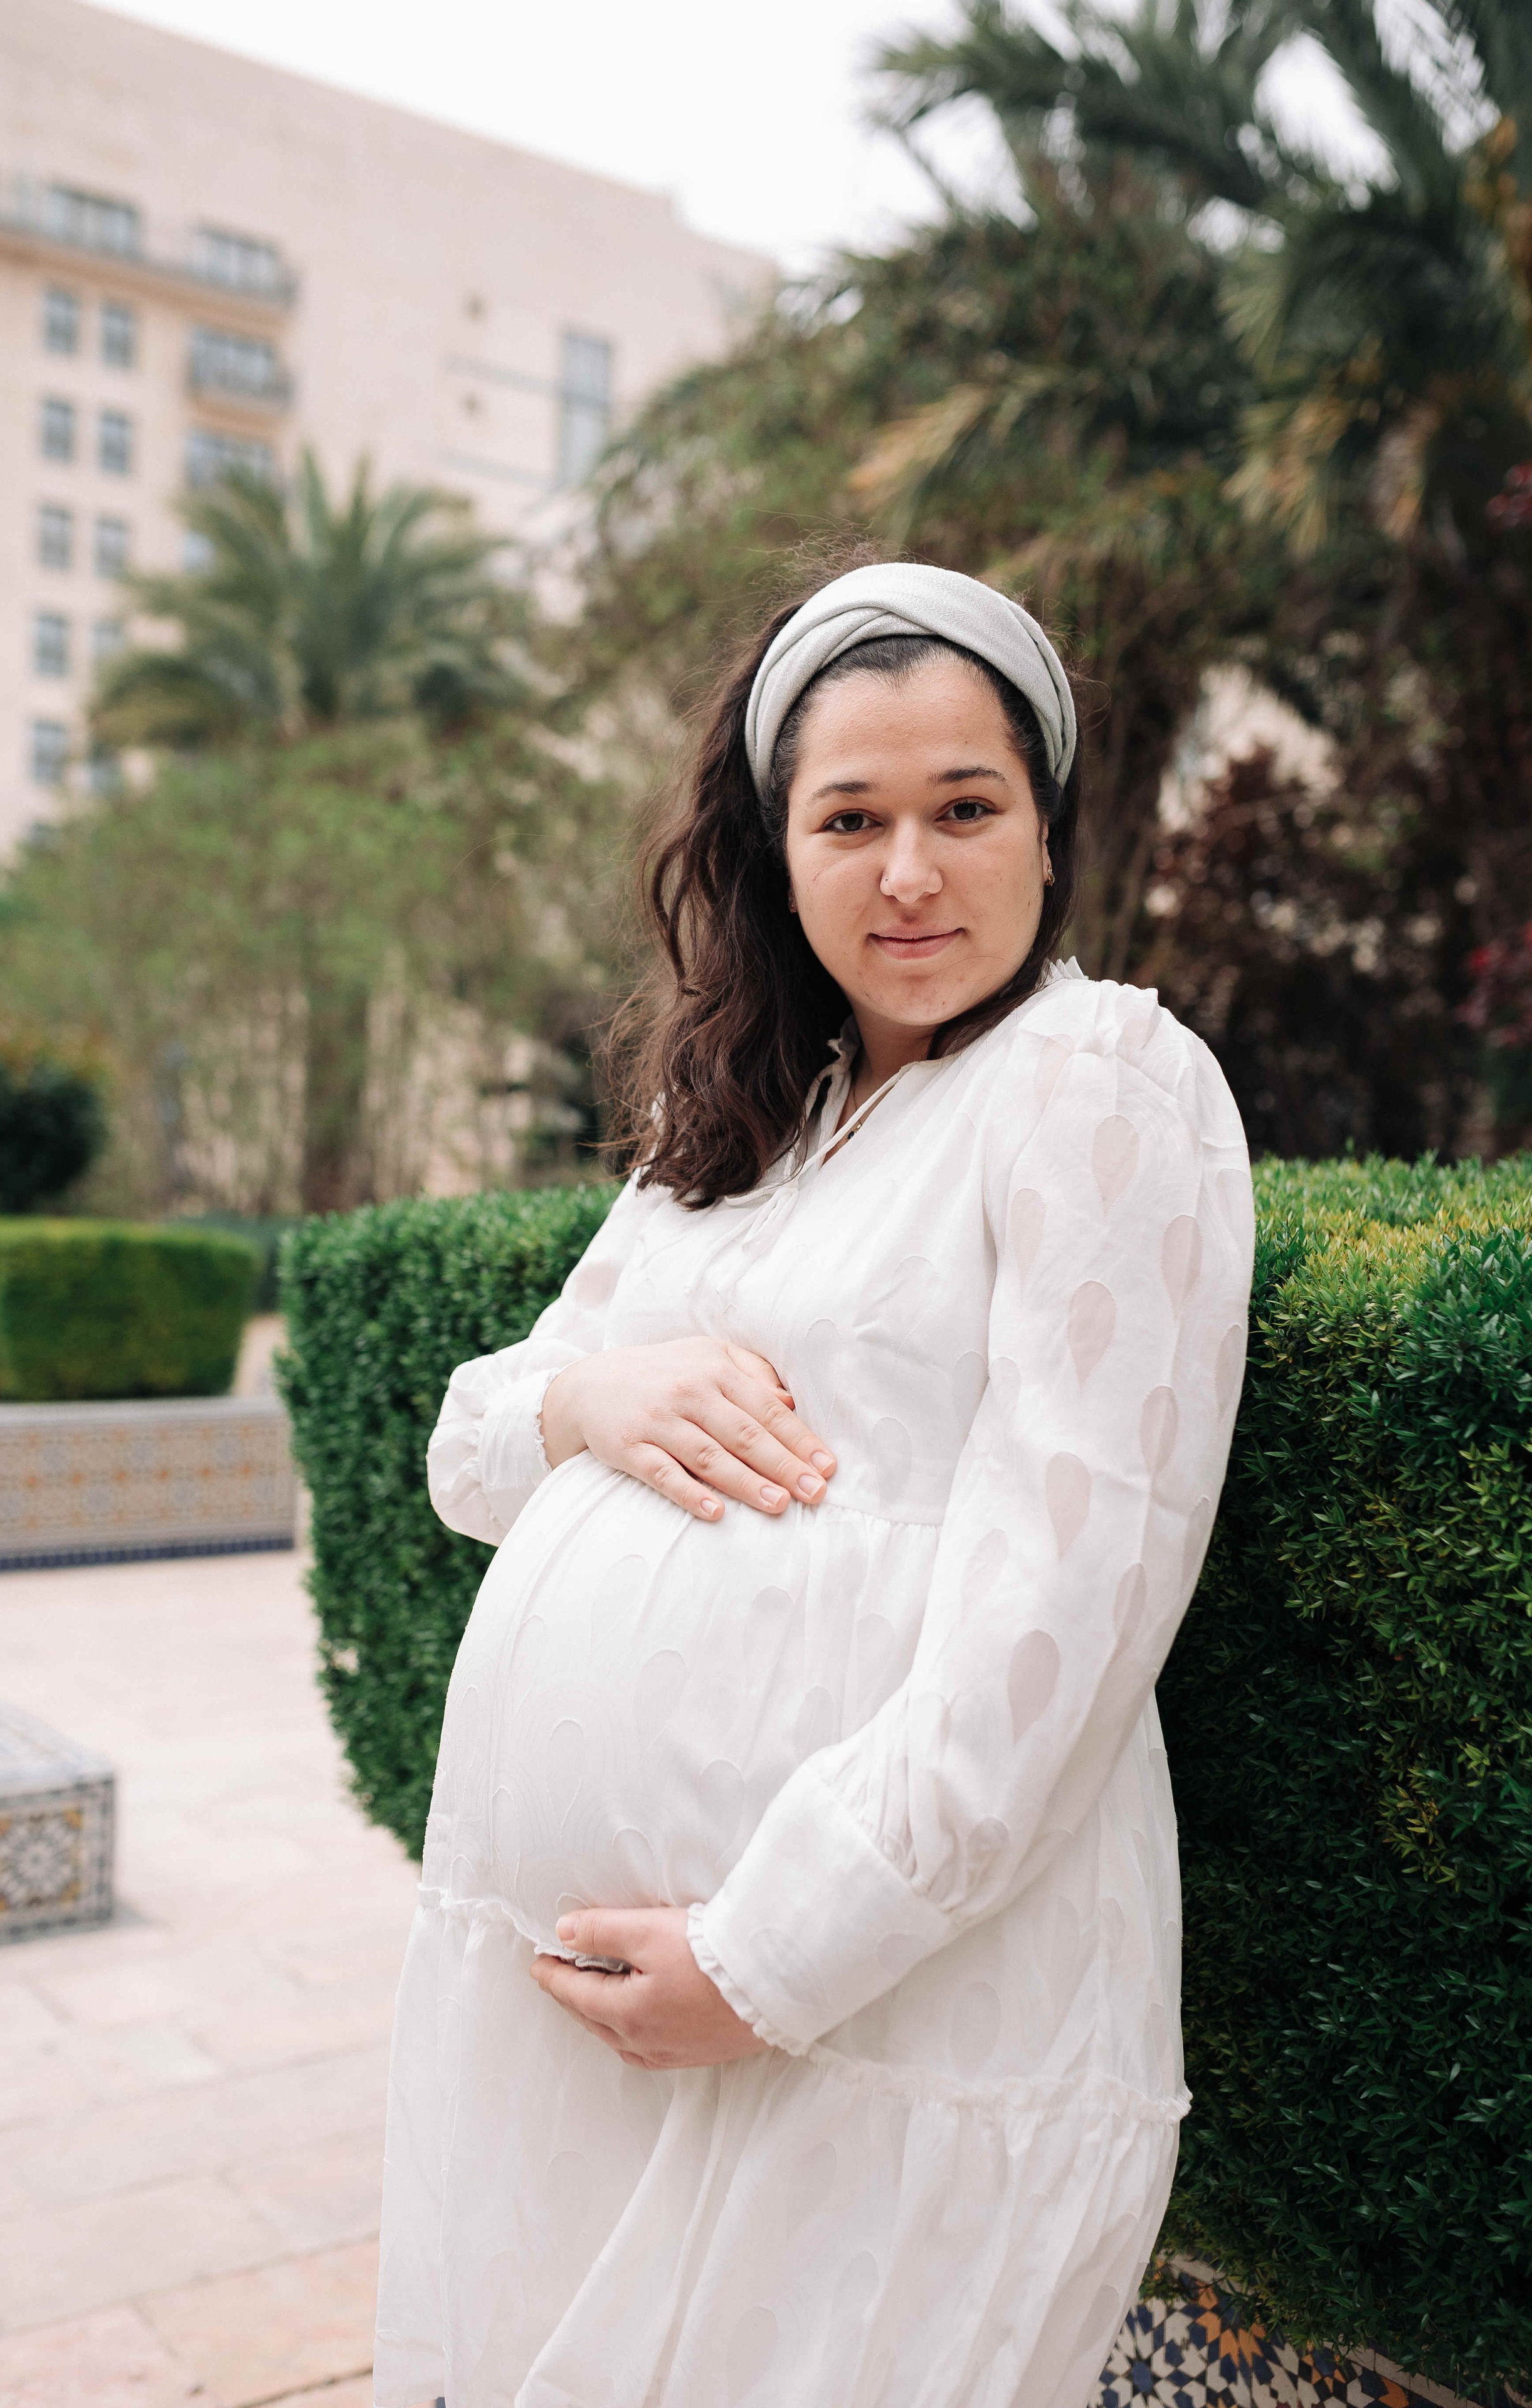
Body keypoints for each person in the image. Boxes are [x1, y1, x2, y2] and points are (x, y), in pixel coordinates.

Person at [373, 561, 1255, 2408]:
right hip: (582, 2017)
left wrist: (768, 1958)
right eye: (850, 819)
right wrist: (589, 1395)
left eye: (965, 809)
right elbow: (468, 1452)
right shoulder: (741, 1126)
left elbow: (1071, 1616)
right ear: (777, 853)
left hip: (881, 2012)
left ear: (1050, 832)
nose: (909, 872)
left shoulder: (1099, 1083)